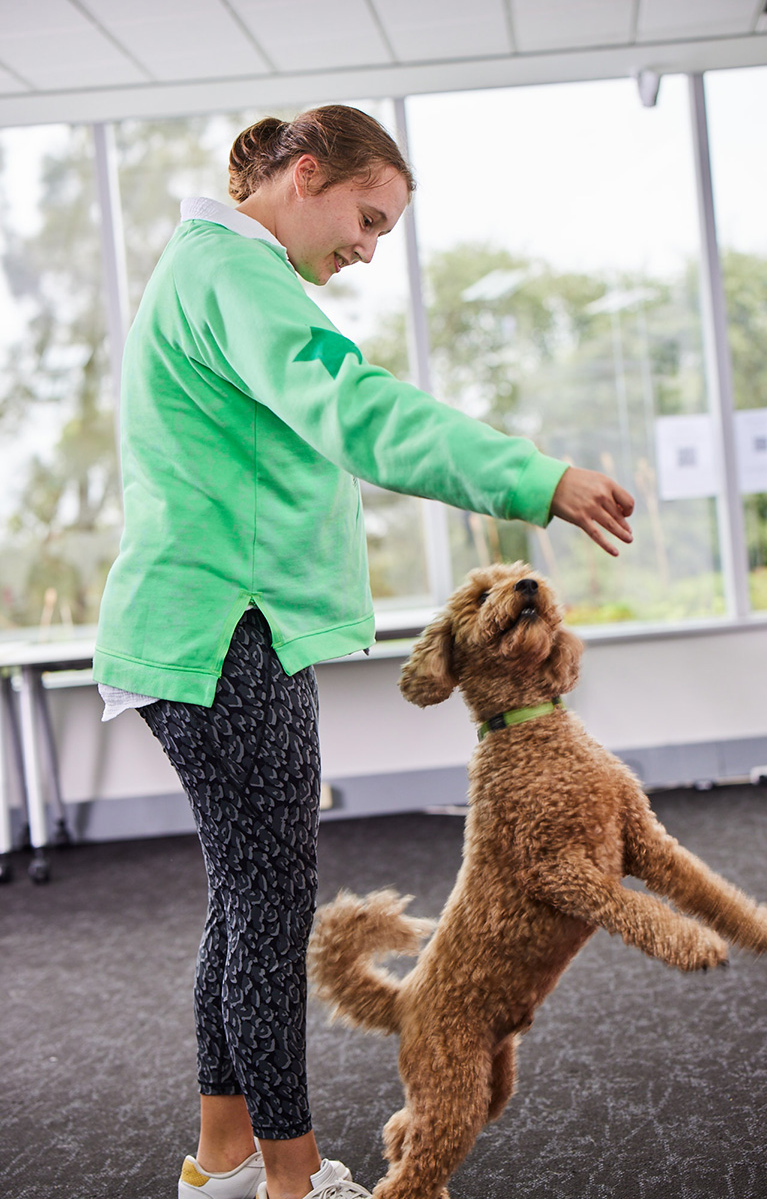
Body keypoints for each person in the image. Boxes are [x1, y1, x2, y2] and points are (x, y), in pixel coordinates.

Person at [93, 105, 634, 1199]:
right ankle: (292, 1182)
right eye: (366, 217)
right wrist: (534, 479)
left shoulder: (209, 271)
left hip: (202, 629)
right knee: (268, 908)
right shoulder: (238, 278)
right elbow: (358, 409)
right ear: (304, 176)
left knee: (247, 903)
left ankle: (225, 1162)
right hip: (222, 633)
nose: (368, 247)